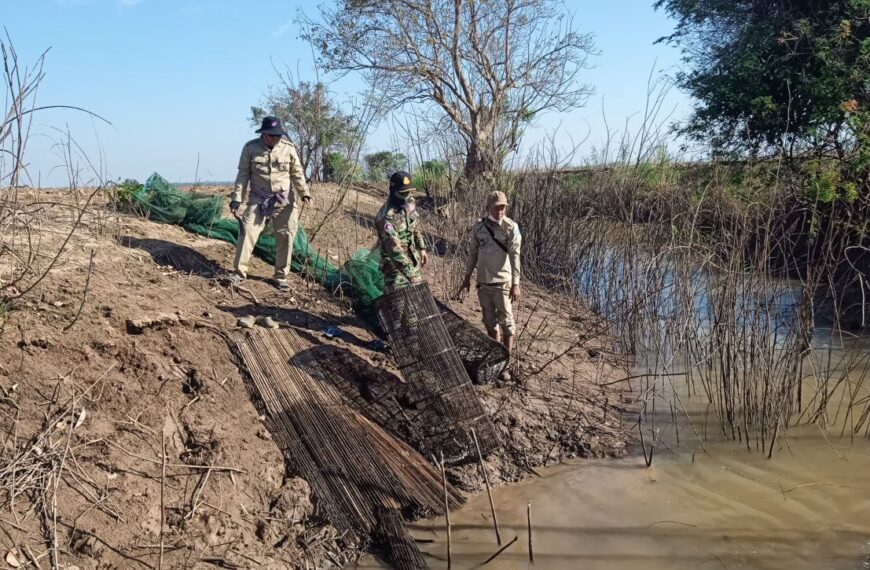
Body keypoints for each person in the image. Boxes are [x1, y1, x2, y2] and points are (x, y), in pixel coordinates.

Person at [226, 116, 312, 290]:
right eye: (272, 135)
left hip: (284, 200)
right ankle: (238, 273)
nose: (276, 138)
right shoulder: (250, 148)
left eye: (278, 135)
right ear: (264, 134)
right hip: (258, 199)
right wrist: (236, 199)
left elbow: (297, 173)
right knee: (247, 230)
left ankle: (281, 277)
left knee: (286, 236)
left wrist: (305, 194)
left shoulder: (288, 148)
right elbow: (243, 175)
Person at [457, 190, 522, 378]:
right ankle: (496, 357)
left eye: (503, 207)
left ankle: (505, 365)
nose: (500, 211)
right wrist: (466, 277)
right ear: (489, 208)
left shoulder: (511, 228)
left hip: (503, 283)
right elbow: (473, 254)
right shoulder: (479, 227)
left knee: (507, 324)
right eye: (497, 208)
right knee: (489, 322)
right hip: (483, 283)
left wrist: (515, 284)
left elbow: (515, 256)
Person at [374, 171, 429, 291]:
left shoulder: (409, 202)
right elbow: (394, 250)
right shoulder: (386, 217)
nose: (407, 196)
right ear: (393, 191)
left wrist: (422, 248)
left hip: (412, 262)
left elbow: (415, 226)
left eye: (409, 192)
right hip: (395, 270)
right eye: (403, 193)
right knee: (399, 305)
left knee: (417, 302)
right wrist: (411, 276)